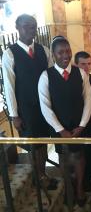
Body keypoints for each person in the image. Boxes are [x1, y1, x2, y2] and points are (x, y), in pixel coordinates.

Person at [2, 14, 55, 188]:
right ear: (17, 27)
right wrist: (14, 115)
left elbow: (51, 79)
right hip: (25, 108)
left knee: (43, 142)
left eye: (33, 26)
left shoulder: (44, 50)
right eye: (26, 26)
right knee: (33, 144)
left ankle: (42, 175)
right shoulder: (10, 54)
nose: (31, 29)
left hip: (44, 107)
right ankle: (38, 177)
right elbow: (9, 87)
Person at [38, 36, 91, 206]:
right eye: (60, 52)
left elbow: (88, 100)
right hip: (59, 126)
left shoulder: (81, 73)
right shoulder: (46, 76)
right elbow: (45, 106)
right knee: (63, 157)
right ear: (53, 55)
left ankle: (79, 188)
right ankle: (68, 187)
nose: (65, 55)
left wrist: (82, 125)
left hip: (78, 125)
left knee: (79, 156)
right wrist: (60, 129)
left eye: (68, 51)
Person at [74, 51, 91, 190]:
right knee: (79, 154)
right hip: (78, 124)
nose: (87, 67)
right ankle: (81, 183)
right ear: (76, 64)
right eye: (83, 64)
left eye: (89, 64)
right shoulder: (72, 79)